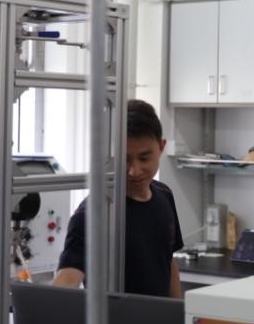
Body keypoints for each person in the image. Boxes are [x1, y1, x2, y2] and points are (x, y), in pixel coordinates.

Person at [53, 99, 182, 298]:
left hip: (160, 317)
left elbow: (168, 261)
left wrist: (178, 312)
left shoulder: (165, 195)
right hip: (113, 318)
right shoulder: (94, 212)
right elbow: (68, 277)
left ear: (161, 147)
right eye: (124, 159)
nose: (134, 171)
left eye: (144, 158)